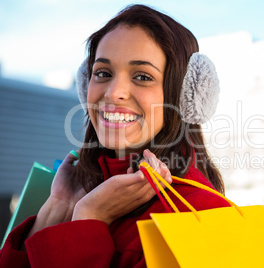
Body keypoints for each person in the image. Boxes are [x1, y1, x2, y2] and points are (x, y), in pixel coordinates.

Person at [0, 4, 229, 267]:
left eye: (142, 76)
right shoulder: (76, 195)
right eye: (103, 73)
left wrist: (89, 218)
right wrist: (58, 207)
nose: (112, 92)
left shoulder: (202, 216)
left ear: (186, 96)